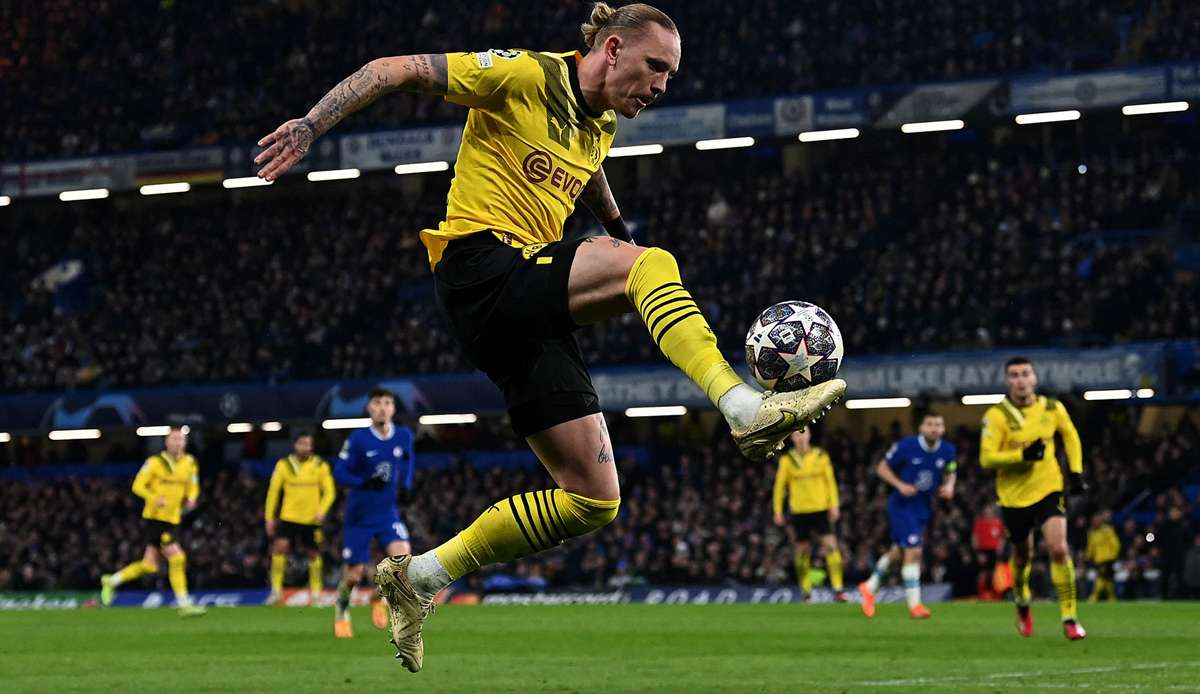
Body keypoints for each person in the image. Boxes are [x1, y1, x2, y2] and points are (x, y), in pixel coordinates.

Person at [254, 1, 845, 671]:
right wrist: (311, 124)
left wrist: (618, 228)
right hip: (480, 265)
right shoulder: (524, 75)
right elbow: (395, 69)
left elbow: (585, 166)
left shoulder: (601, 124)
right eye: (656, 67)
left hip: (518, 310)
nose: (661, 86)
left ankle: (416, 578)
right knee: (653, 268)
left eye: (672, 76)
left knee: (593, 500)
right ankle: (743, 408)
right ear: (614, 49)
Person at [980, 356, 1087, 640]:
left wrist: (1075, 472)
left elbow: (1071, 436)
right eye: (1014, 375)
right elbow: (986, 458)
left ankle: (1069, 617)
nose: (1020, 380)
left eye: (1025, 373)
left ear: (1035, 378)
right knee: (1022, 555)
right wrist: (1021, 456)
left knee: (1058, 548)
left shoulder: (1052, 408)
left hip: (1048, 488)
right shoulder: (997, 416)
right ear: (1008, 381)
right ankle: (1023, 603)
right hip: (1013, 497)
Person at [331, 388, 415, 638]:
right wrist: (363, 482)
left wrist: (408, 485)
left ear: (394, 409)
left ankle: (378, 598)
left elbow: (409, 460)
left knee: (403, 561)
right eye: (377, 403)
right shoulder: (358, 439)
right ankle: (341, 610)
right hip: (359, 517)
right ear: (369, 408)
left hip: (387, 513)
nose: (382, 407)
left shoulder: (403, 435)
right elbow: (339, 472)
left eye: (387, 403)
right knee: (353, 575)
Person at [100, 426, 207, 617]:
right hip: (156, 518)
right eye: (174, 439)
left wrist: (192, 497)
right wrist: (153, 496)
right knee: (177, 557)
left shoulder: (190, 462)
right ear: (166, 442)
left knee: (149, 565)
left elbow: (193, 485)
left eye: (181, 439)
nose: (178, 442)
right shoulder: (154, 462)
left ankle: (111, 581)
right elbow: (137, 486)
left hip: (174, 518)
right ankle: (184, 603)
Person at [858, 413, 956, 619]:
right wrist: (900, 485)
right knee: (914, 552)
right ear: (921, 427)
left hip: (924, 507)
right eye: (929, 424)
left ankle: (869, 587)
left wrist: (949, 485)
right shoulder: (907, 446)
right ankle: (915, 605)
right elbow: (881, 468)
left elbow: (951, 469)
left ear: (943, 428)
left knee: (898, 552)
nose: (934, 428)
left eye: (938, 424)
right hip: (902, 506)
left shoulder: (948, 450)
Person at [772, 429, 845, 602]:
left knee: (831, 547)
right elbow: (779, 487)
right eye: (797, 435)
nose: (801, 438)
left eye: (803, 434)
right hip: (799, 511)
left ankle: (838, 589)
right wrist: (778, 510)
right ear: (792, 438)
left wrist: (834, 505)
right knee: (802, 552)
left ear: (809, 436)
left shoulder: (821, 456)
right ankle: (806, 592)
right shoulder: (787, 460)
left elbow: (830, 482)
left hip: (820, 508)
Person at [264, 431, 335, 605]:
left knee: (314, 554)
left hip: (312, 519)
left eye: (309, 444)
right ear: (295, 445)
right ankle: (276, 592)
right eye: (303, 444)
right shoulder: (284, 465)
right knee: (279, 549)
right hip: (289, 517)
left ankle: (316, 594)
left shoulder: (320, 465)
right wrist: (269, 517)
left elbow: (330, 492)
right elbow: (273, 492)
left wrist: (322, 510)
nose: (306, 448)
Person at [1085, 510, 1120, 602]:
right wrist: (1088, 556)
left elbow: (1115, 544)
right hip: (1098, 559)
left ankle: (1095, 596)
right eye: (1093, 521)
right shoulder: (1092, 532)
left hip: (1108, 558)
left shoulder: (1107, 531)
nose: (1095, 522)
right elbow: (1091, 546)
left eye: (1096, 520)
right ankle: (1111, 597)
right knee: (1107, 578)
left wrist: (1114, 555)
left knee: (1101, 577)